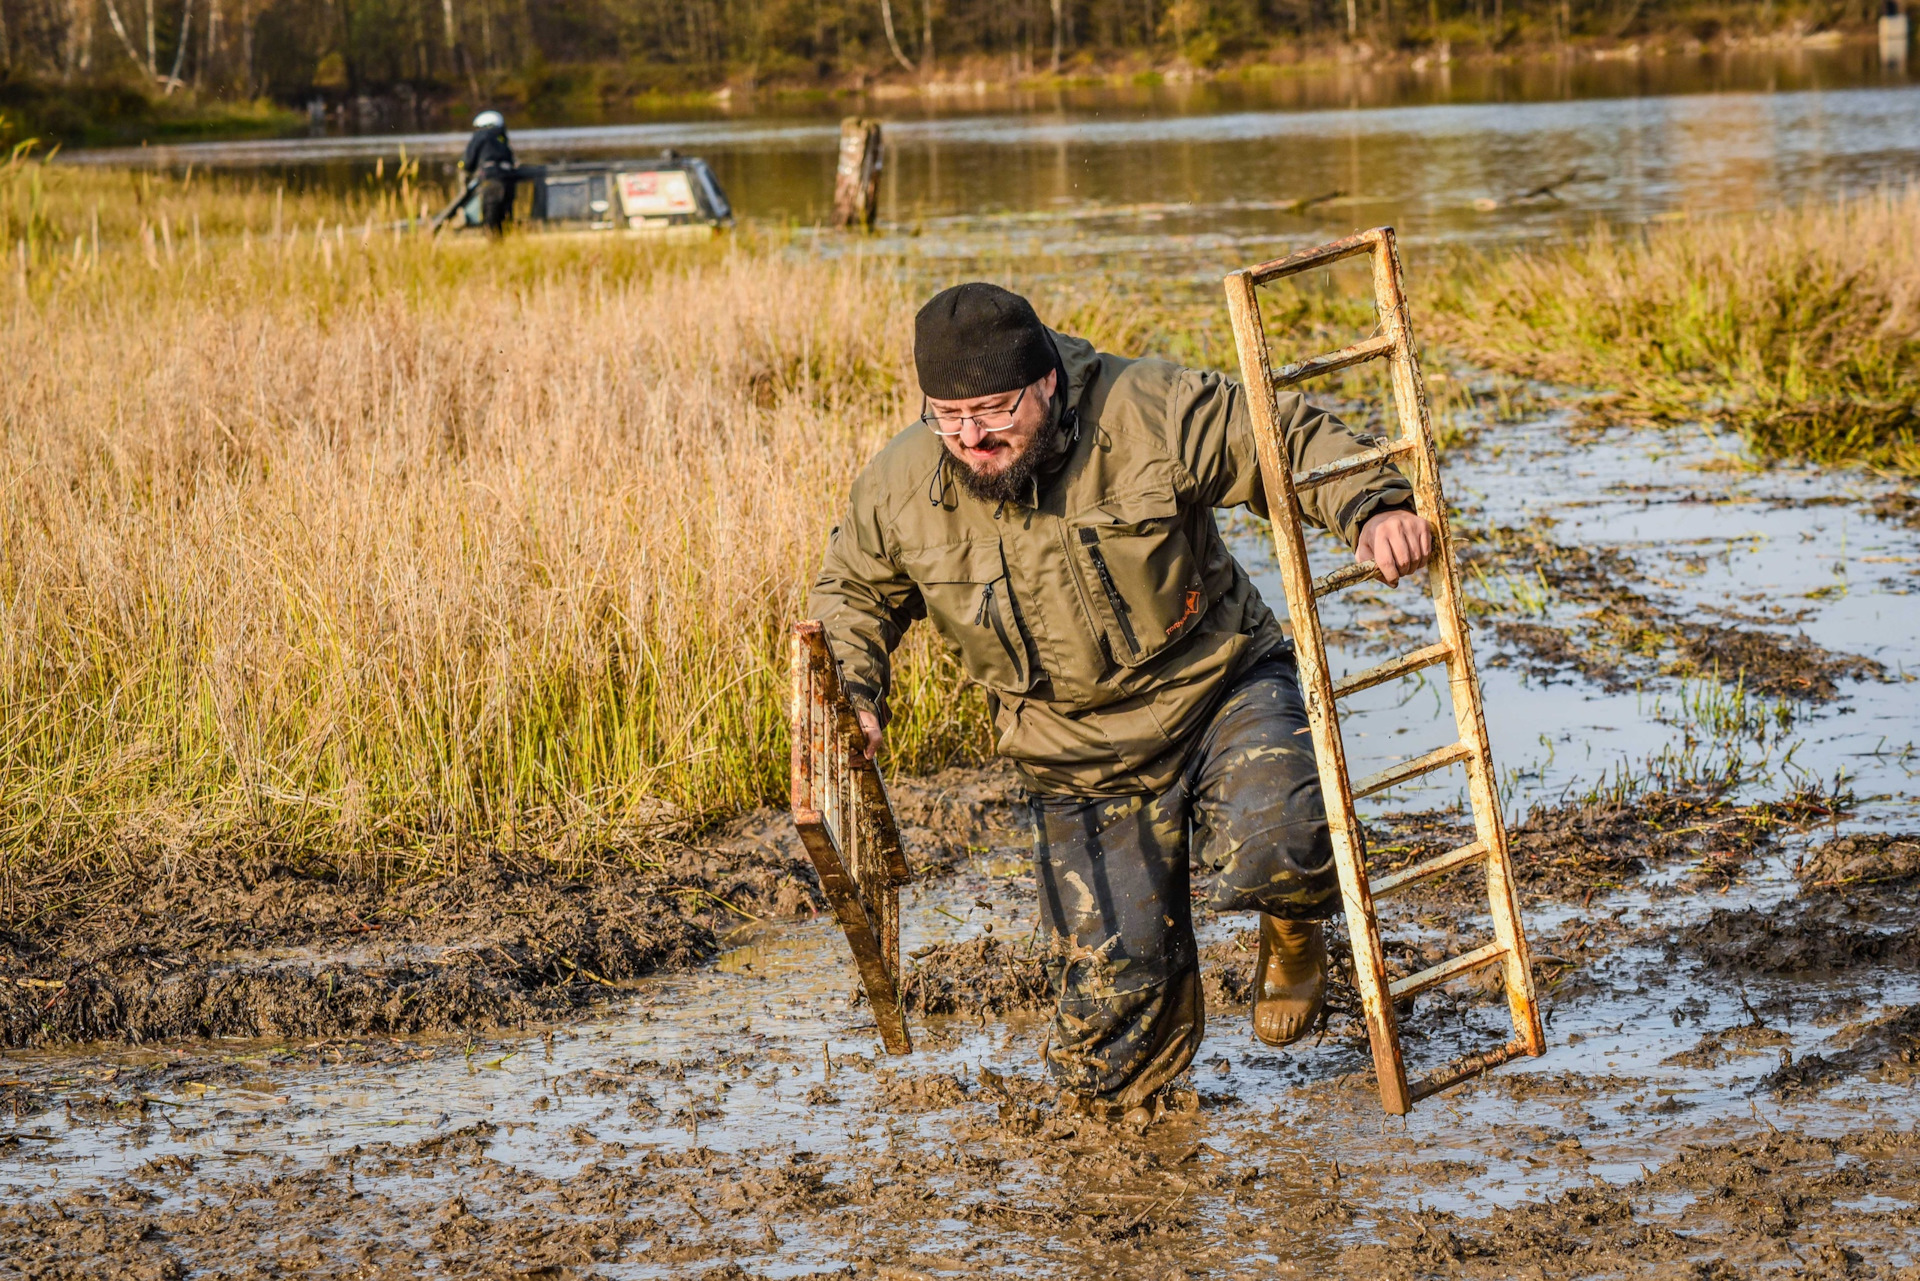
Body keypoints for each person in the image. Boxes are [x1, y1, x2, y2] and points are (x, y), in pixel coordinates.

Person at [808, 283, 1433, 1123]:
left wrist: (1372, 504)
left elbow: (1280, 433)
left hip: (1217, 690)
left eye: (992, 411)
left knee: (1282, 837)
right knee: (1113, 1044)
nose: (971, 438)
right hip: (1074, 761)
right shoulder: (901, 485)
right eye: (945, 416)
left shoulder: (1147, 409)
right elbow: (851, 595)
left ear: (1046, 385)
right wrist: (852, 694)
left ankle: (1292, 923)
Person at [461, 110, 517, 234]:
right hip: (508, 178)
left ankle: (493, 242)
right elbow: (511, 158)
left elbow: (468, 161)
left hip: (491, 179)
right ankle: (508, 238)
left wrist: (464, 168)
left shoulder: (480, 136)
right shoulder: (502, 138)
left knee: (491, 213)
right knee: (506, 213)